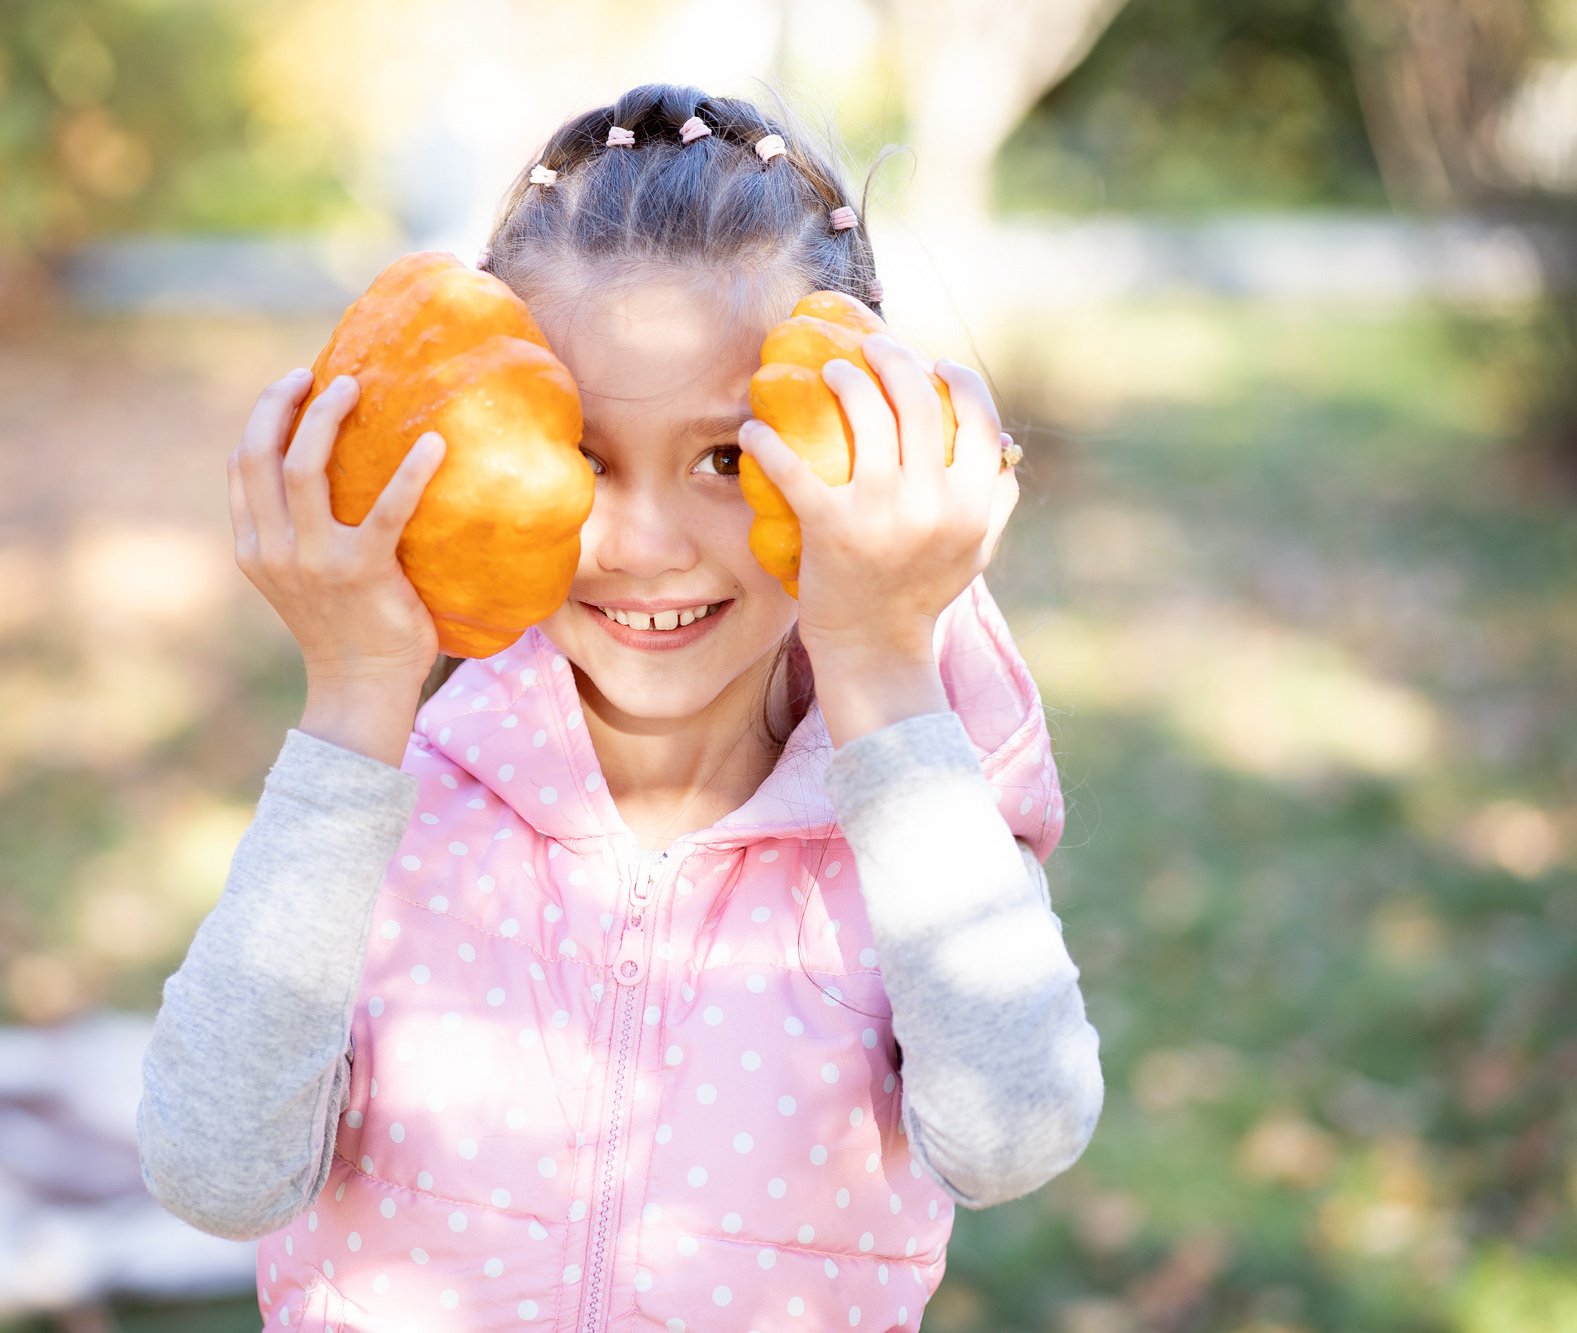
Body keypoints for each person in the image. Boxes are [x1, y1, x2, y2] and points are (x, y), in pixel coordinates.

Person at [138, 84, 1102, 1332]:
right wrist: (357, 692)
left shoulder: (912, 824)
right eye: (583, 456)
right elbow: (216, 1172)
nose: (644, 545)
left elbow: (1011, 1137)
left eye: (727, 459)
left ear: (856, 451)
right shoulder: (392, 801)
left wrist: (878, 662)